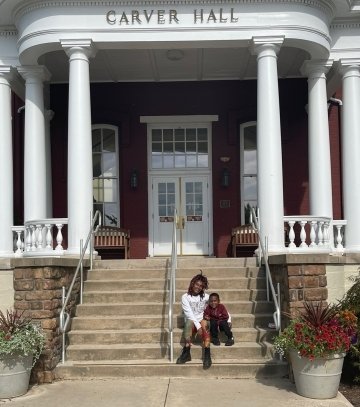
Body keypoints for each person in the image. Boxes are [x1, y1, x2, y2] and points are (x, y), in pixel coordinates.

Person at [176, 272, 212, 369]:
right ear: (192, 283)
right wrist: (198, 326)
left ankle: (207, 354)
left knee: (205, 323)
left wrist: (228, 318)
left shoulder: (206, 297)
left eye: (201, 286)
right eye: (197, 284)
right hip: (191, 321)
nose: (198, 287)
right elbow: (189, 315)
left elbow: (217, 307)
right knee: (188, 323)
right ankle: (186, 352)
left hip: (202, 320)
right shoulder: (185, 297)